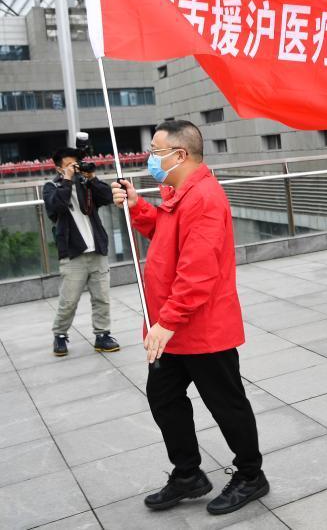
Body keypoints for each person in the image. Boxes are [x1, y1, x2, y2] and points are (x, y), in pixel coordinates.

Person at [111, 120, 268, 515]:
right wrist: (137, 205)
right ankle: (187, 474)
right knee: (164, 398)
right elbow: (165, 236)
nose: (150, 158)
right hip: (173, 328)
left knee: (226, 403)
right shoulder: (177, 193)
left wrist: (167, 321)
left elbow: (198, 272)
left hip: (201, 327)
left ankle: (251, 475)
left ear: (180, 155)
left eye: (155, 151)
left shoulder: (205, 198)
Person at [44, 147, 119, 356]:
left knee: (102, 297)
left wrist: (92, 178)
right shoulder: (51, 187)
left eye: (75, 164)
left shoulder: (86, 184)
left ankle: (102, 335)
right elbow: (57, 207)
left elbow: (107, 197)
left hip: (97, 250)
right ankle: (60, 335)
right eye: (68, 165)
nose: (73, 168)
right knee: (68, 301)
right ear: (58, 168)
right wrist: (67, 180)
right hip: (73, 254)